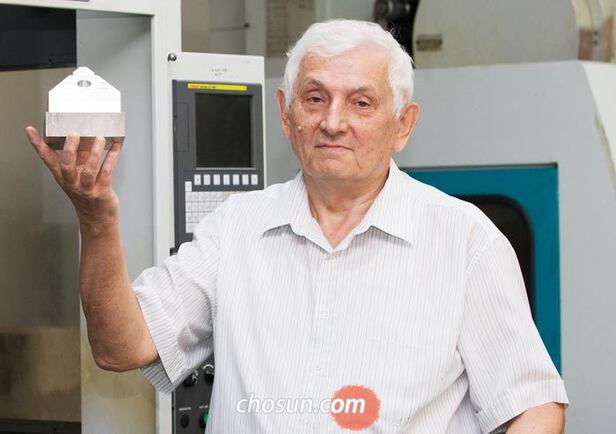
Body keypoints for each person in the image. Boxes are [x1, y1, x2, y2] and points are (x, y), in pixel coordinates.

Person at [26, 19, 567, 434]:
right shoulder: (235, 229)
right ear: (286, 115)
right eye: (315, 98)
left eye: (361, 103)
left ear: (403, 125)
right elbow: (120, 347)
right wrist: (96, 219)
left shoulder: (465, 241)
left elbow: (534, 406)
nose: (333, 122)